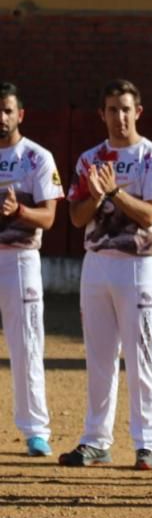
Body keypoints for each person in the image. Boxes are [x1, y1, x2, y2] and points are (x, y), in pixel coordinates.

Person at [60, 79, 152, 470]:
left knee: (141, 354)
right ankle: (96, 440)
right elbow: (76, 219)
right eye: (112, 109)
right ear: (102, 114)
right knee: (99, 355)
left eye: (126, 109)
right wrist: (95, 194)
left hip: (139, 265)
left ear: (137, 112)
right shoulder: (89, 159)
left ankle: (146, 443)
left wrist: (113, 194)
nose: (119, 116)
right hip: (97, 264)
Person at [0, 82, 63, 458]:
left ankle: (36, 430)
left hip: (20, 260)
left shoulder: (37, 157)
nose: (1, 117)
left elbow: (50, 217)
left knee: (26, 345)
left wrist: (18, 211)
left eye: (7, 110)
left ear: (20, 114)